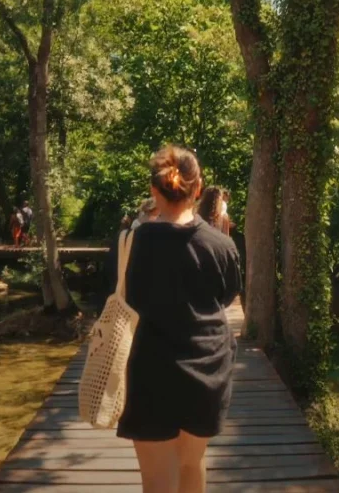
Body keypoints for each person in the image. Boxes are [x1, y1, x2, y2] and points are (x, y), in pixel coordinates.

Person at [115, 146, 242, 493]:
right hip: (207, 370)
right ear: (198, 189)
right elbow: (228, 296)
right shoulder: (221, 245)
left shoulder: (131, 244)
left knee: (158, 480)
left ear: (154, 192)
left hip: (151, 372)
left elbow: (119, 298)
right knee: (191, 463)